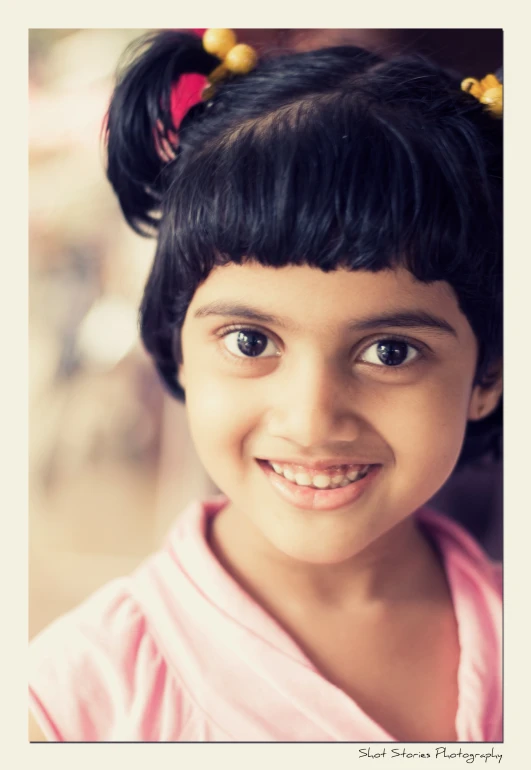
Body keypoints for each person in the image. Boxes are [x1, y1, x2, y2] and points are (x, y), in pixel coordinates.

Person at [28, 29, 503, 743]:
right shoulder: (70, 703)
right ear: (176, 344)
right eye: (251, 342)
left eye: (390, 350)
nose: (311, 420)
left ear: (487, 375)